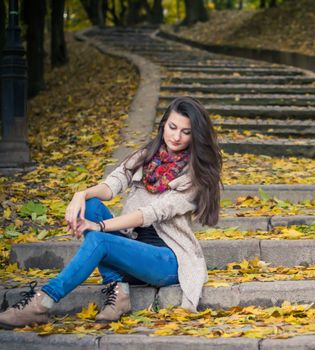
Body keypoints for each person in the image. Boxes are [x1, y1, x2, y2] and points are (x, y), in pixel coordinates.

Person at [0, 96, 222, 329]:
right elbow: (112, 185)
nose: (176, 137)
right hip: (132, 248)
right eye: (172, 127)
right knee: (93, 204)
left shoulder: (195, 177)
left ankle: (41, 303)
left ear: (195, 135)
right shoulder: (147, 156)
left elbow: (150, 213)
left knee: (99, 240)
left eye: (186, 132)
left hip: (166, 261)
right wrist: (81, 194)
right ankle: (118, 289)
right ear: (163, 124)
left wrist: (101, 226)